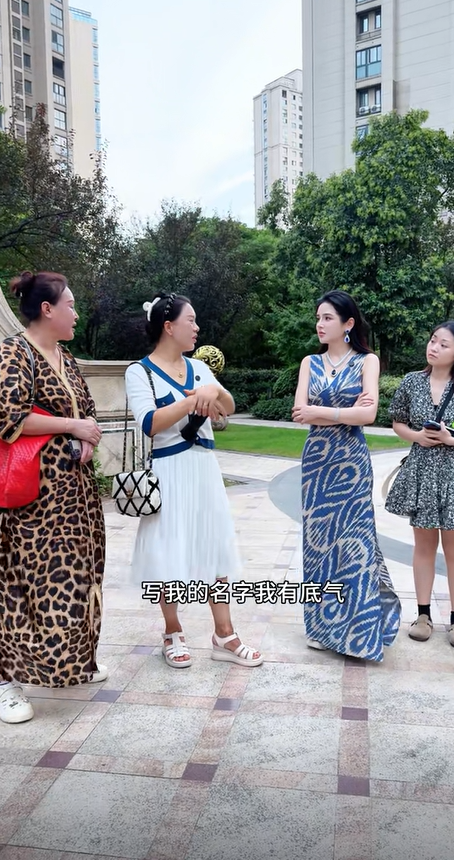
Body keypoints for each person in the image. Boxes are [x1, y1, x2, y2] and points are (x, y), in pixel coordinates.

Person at [124, 292, 263, 668]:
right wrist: (192, 400)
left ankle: (225, 634)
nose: (197, 327)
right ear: (169, 327)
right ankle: (172, 631)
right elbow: (150, 423)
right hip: (169, 471)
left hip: (204, 469)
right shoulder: (139, 372)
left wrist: (213, 390)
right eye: (191, 320)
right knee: (168, 550)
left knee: (215, 545)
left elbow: (228, 406)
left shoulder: (199, 368)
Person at [0, 271, 107, 725]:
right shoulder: (14, 352)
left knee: (74, 577)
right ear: (47, 309)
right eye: (70, 304)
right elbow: (8, 415)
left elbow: (88, 411)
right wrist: (71, 426)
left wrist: (86, 434)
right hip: (33, 499)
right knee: (20, 582)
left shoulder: (65, 357)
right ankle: (6, 682)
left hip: (74, 496)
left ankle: (69, 661)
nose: (76, 314)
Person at [292, 289, 401, 662]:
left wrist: (321, 412)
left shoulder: (367, 361)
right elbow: (299, 412)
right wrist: (343, 411)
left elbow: (367, 416)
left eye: (327, 318)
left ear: (348, 323)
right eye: (318, 318)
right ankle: (321, 628)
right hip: (316, 463)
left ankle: (360, 632)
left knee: (355, 544)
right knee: (318, 545)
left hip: (351, 463)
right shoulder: (310, 362)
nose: (320, 324)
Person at [385, 321, 454, 648]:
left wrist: (450, 440)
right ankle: (423, 616)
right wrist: (417, 436)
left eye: (444, 344)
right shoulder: (412, 382)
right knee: (424, 546)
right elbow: (397, 421)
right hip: (422, 473)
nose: (434, 347)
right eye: (432, 340)